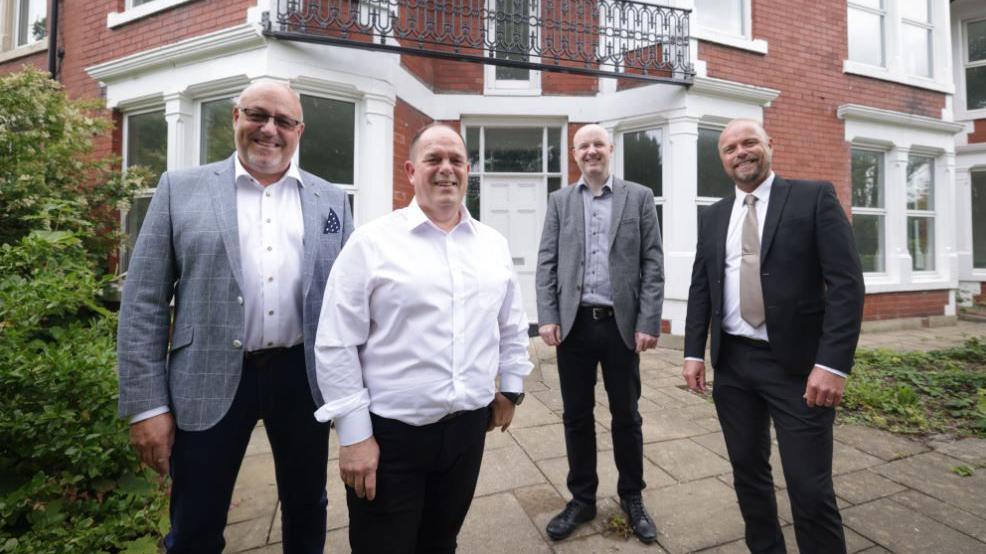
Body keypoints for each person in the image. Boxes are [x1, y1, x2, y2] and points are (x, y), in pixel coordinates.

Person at [117, 81, 353, 553]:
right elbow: (143, 300)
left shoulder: (331, 200)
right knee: (196, 520)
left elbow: (349, 300)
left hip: (301, 376)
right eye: (257, 115)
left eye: (283, 121)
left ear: (299, 130)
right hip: (207, 374)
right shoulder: (179, 190)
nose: (270, 130)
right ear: (235, 118)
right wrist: (147, 404)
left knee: (308, 509)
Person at [313, 123, 533, 554]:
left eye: (455, 161)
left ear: (469, 170)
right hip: (392, 438)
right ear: (412, 171)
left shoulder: (493, 244)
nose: (446, 169)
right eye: (434, 159)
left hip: (469, 430)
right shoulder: (371, 244)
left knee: (441, 542)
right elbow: (336, 341)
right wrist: (355, 436)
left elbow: (510, 322)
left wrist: (511, 388)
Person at [682, 118, 865, 554]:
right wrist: (693, 353)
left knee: (810, 489)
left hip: (799, 368)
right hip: (734, 366)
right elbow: (701, 286)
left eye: (750, 143)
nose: (740, 152)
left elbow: (847, 284)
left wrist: (833, 364)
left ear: (770, 145)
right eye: (729, 148)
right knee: (748, 475)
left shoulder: (812, 197)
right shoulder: (713, 216)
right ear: (722, 160)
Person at [535, 124, 664, 543]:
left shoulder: (639, 197)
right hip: (573, 327)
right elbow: (547, 263)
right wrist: (547, 316)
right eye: (583, 145)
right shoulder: (559, 201)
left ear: (610, 149)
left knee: (626, 415)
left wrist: (648, 320)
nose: (591, 151)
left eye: (598, 144)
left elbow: (652, 264)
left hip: (620, 327)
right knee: (576, 416)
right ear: (575, 154)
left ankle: (632, 496)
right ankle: (582, 498)